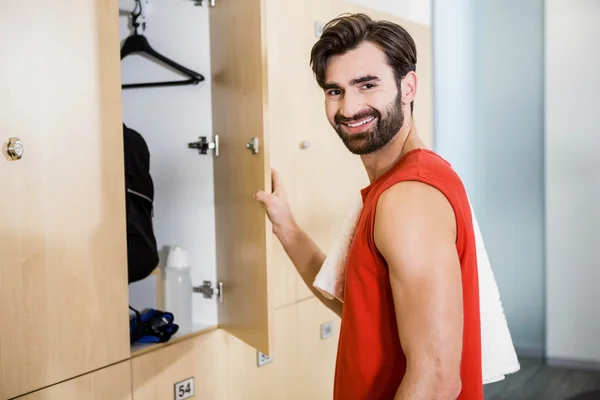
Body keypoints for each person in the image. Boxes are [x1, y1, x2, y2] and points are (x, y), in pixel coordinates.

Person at [254, 13, 483, 400]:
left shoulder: (408, 198)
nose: (349, 107)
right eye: (335, 91)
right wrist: (286, 228)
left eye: (367, 85)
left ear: (407, 86)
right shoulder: (398, 185)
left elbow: (437, 380)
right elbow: (361, 311)